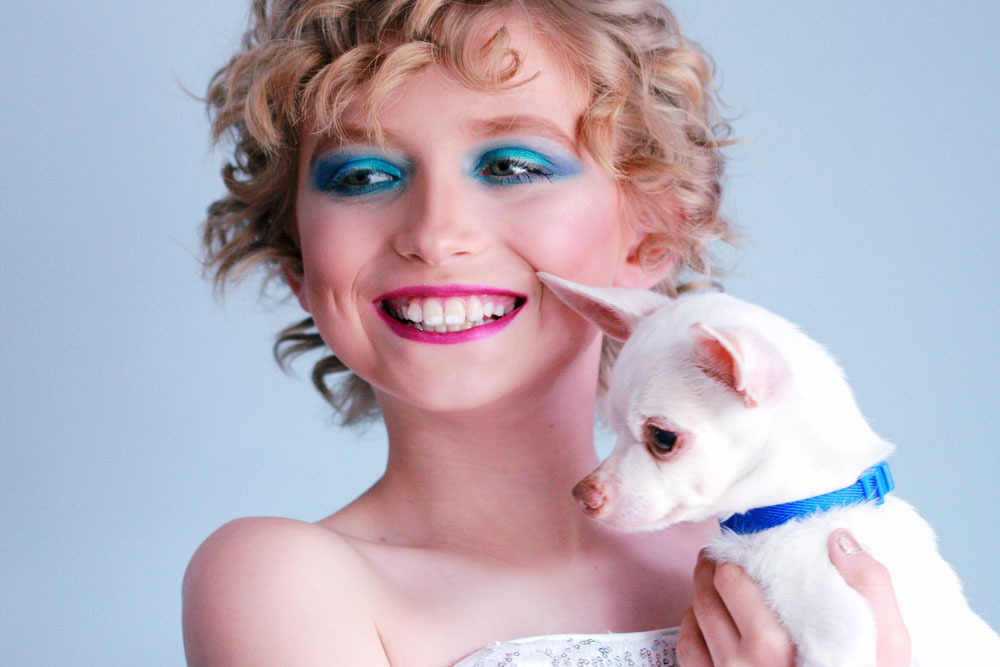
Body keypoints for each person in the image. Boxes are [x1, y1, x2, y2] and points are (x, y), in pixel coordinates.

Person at [182, 1, 911, 664]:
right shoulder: (280, 583)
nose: (436, 236)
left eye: (510, 166)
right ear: (298, 261)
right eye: (365, 176)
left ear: (650, 233)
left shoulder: (795, 555)